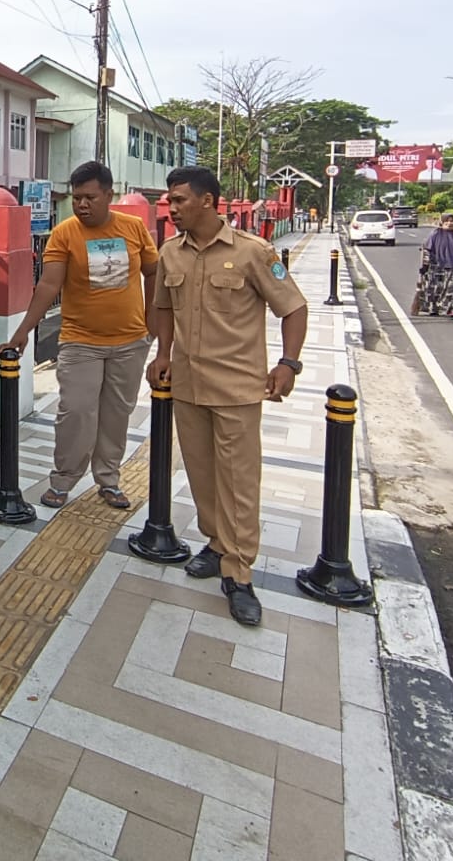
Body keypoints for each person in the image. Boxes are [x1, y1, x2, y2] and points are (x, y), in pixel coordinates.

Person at [149, 167, 308, 627]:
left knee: (238, 482)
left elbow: (293, 307)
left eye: (179, 200)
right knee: (201, 477)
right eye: (169, 201)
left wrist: (288, 363)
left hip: (238, 389)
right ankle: (217, 544)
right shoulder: (171, 254)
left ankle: (239, 574)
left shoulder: (252, 252)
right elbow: (163, 307)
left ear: (208, 201)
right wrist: (163, 353)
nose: (171, 208)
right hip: (188, 386)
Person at [3, 160, 159, 510]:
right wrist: (24, 330)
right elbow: (48, 284)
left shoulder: (134, 228)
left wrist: (152, 321)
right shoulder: (65, 233)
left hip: (130, 341)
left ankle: (109, 479)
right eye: (76, 198)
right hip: (80, 341)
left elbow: (154, 272)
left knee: (117, 413)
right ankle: (63, 479)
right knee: (75, 411)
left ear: (109, 194)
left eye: (90, 197)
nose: (82, 205)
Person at [417, 213, 453, 320]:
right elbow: (427, 250)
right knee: (437, 289)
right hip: (437, 266)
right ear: (442, 222)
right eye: (447, 221)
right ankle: (434, 308)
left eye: (452, 221)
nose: (450, 223)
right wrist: (425, 266)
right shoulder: (435, 234)